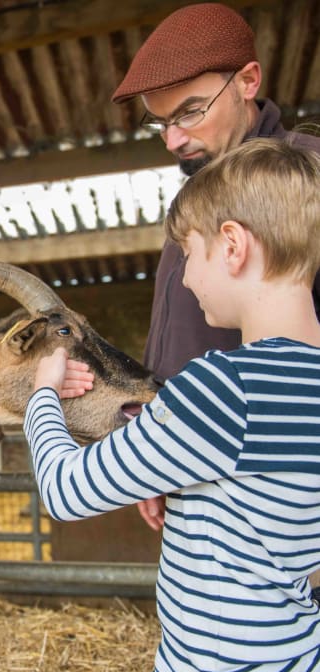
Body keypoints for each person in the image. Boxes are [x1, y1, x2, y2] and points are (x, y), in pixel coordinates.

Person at [24, 138, 320, 672]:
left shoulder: (223, 388)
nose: (183, 277)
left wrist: (41, 393)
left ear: (232, 245)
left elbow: (64, 492)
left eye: (188, 253)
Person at [111, 2, 320, 532]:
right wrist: (152, 443)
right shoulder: (198, 198)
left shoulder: (305, 177)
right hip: (188, 472)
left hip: (274, 503)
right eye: (160, 121)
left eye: (189, 112)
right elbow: (177, 338)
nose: (173, 140)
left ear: (248, 81)